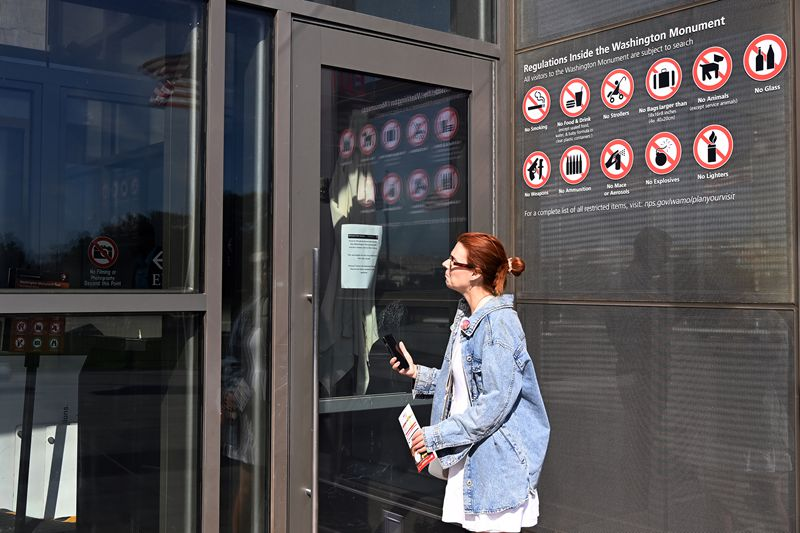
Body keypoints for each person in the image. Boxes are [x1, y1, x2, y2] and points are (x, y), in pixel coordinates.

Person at [389, 232, 550, 532]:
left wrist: (436, 436)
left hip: (495, 467)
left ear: (475, 272)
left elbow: (493, 405)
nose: (444, 264)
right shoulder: (467, 317)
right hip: (473, 459)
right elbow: (464, 386)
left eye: (453, 261)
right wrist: (417, 374)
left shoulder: (498, 325)